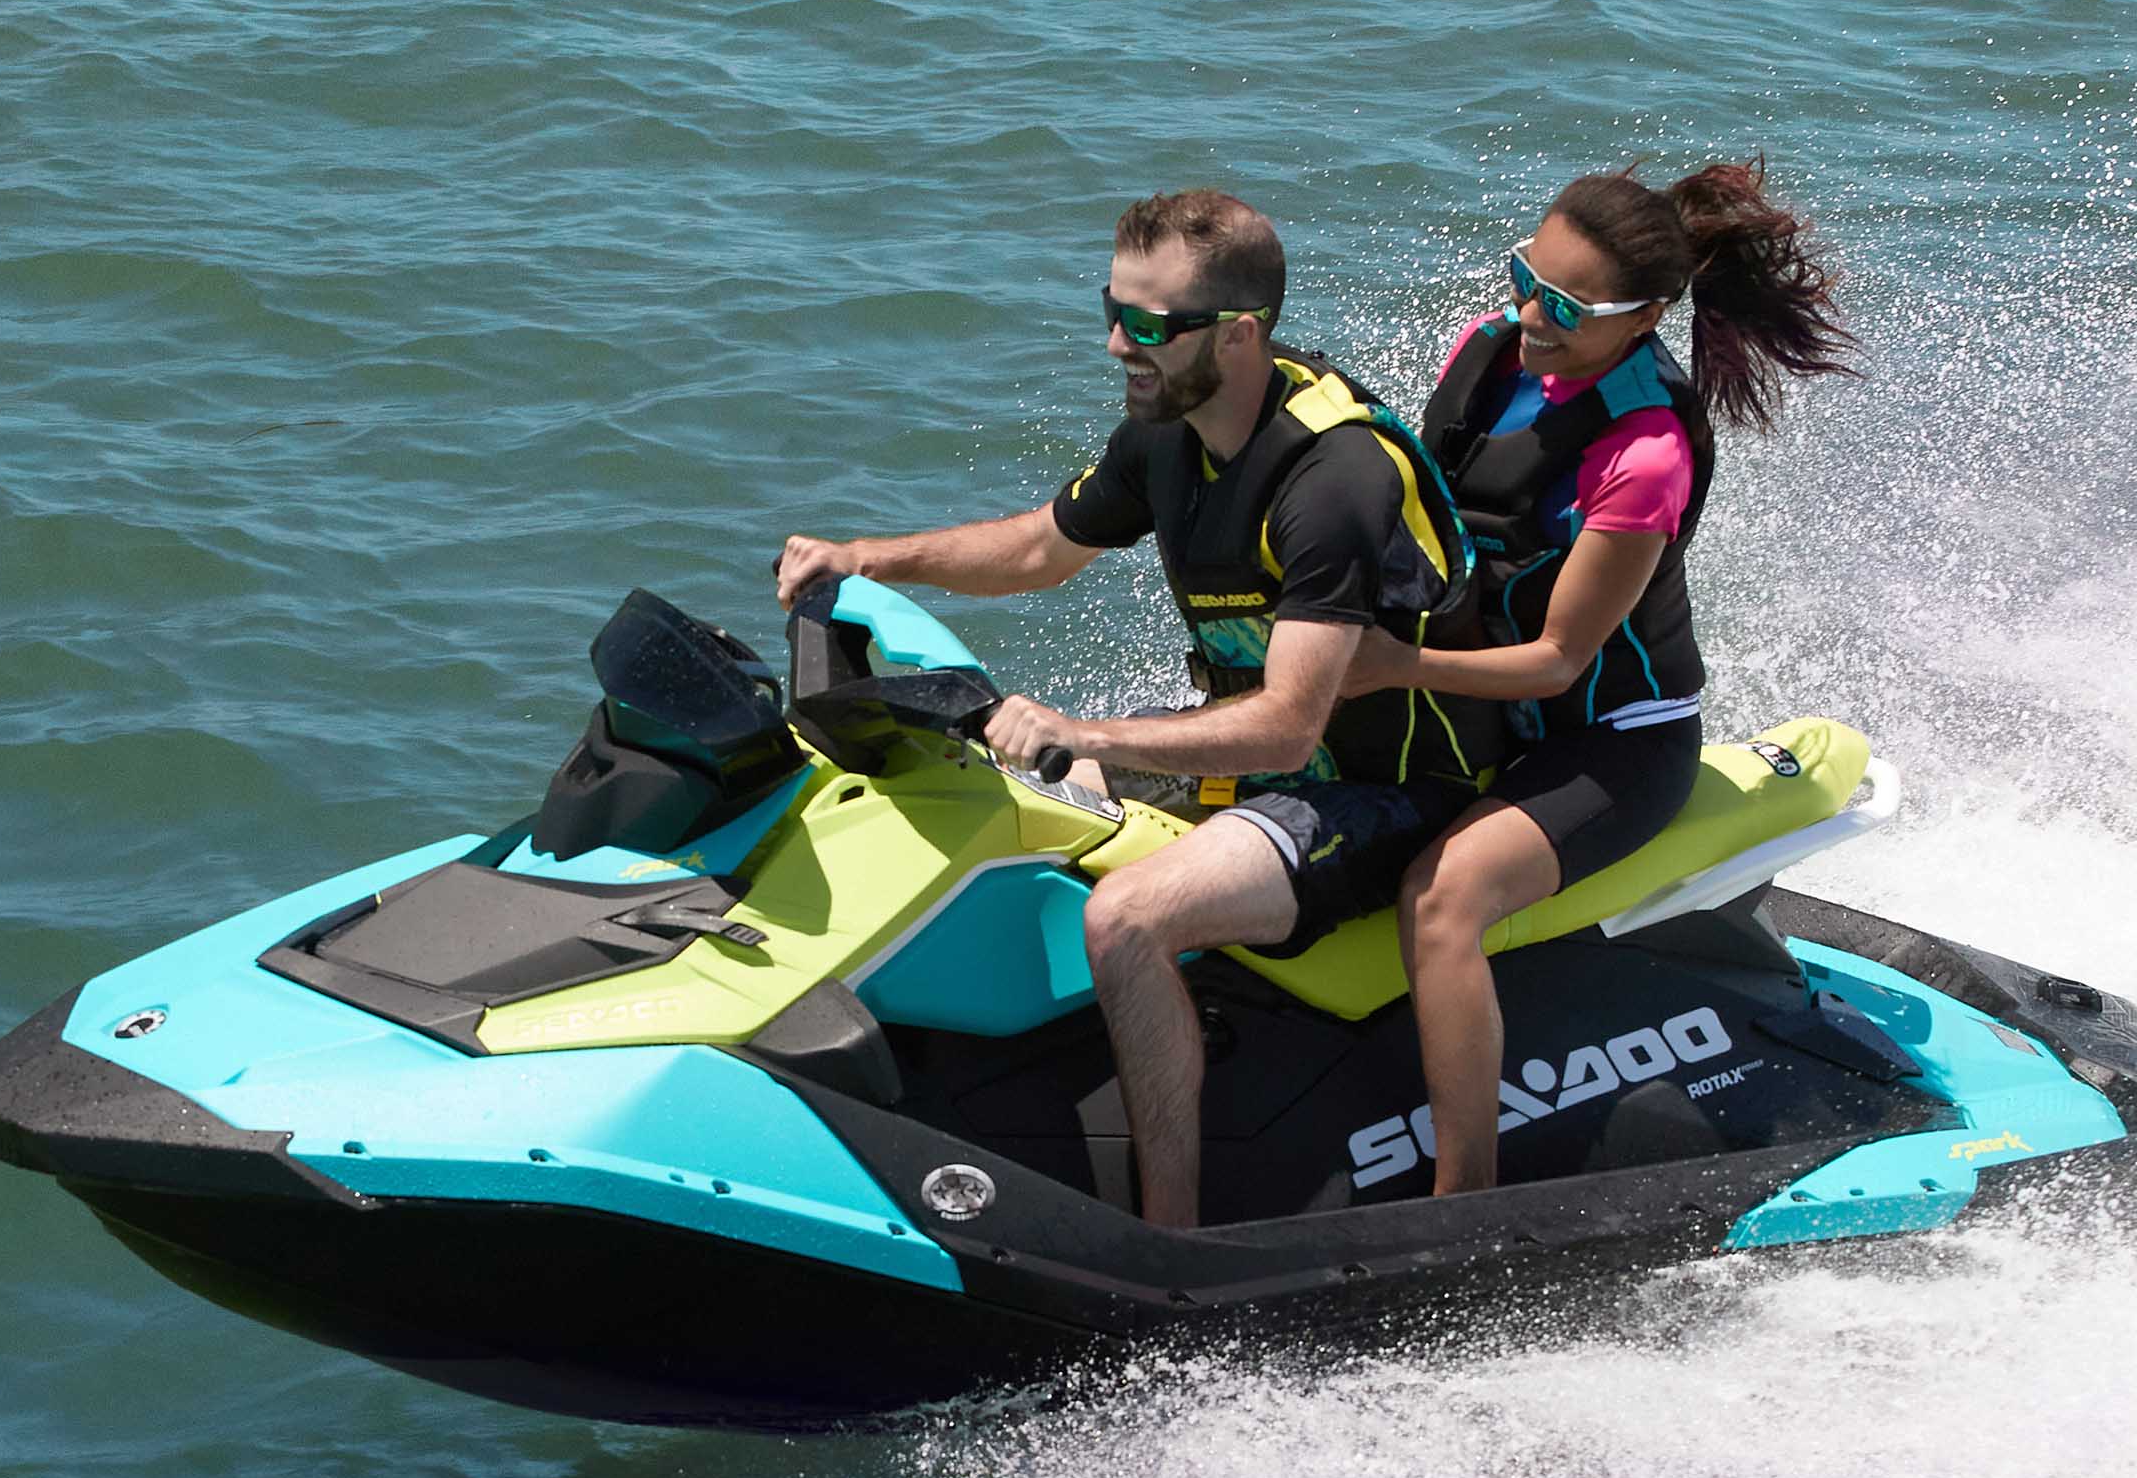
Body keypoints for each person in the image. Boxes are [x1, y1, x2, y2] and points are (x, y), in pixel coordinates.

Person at [775, 189, 1493, 1229]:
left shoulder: (1330, 480)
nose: (1119, 342)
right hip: (1271, 763)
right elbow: (1038, 549)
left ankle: (1169, 1235)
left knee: (1125, 916)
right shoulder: (1167, 431)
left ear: (1239, 334)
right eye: (1110, 310)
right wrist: (865, 557)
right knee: (1022, 802)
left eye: (1150, 325)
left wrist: (1086, 730)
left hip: (1386, 793)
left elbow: (1292, 723)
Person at [1357, 161, 1860, 1195]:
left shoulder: (1644, 450)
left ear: (1645, 318)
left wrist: (1387, 667)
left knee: (1440, 900)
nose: (1529, 317)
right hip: (1464, 707)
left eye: (1565, 308)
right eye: (1522, 280)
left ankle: (1461, 1200)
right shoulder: (1486, 351)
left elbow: (1557, 660)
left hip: (1610, 743)